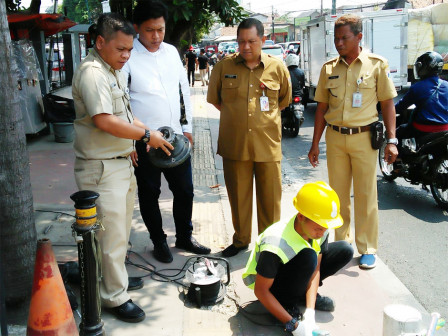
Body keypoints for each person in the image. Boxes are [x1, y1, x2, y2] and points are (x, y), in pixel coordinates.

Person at [72, 13, 173, 323]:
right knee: (110, 237)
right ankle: (114, 296)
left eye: (130, 50)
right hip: (102, 169)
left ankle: (114, 283)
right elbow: (105, 120)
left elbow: (125, 117)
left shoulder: (111, 69)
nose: (127, 56)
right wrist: (145, 136)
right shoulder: (93, 73)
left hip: (119, 164)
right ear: (100, 42)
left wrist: (147, 135)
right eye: (121, 49)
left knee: (117, 233)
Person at [307, 14, 398, 269]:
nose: (339, 43)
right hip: (335, 138)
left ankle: (367, 248)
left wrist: (392, 140)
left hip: (364, 138)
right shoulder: (329, 68)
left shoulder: (377, 65)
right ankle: (341, 244)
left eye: (344, 38)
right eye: (336, 39)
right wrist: (315, 144)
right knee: (337, 197)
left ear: (359, 37)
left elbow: (388, 104)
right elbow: (321, 108)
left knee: (366, 195)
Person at [122, 0, 210, 264]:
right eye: (150, 30)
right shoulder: (128, 56)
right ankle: (158, 241)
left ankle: (184, 236)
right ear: (137, 28)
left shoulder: (171, 52)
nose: (156, 36)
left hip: (175, 138)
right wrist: (130, 141)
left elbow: (184, 89)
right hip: (144, 140)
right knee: (149, 193)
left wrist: (188, 127)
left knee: (185, 190)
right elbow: (123, 102)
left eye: (160, 29)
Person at [207, 18, 291, 258]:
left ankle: (268, 245)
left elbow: (283, 100)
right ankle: (241, 240)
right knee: (238, 198)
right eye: (241, 41)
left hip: (268, 145)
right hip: (235, 145)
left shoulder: (277, 67)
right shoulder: (224, 67)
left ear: (262, 40)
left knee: (270, 201)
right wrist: (238, 116)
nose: (245, 47)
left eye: (251, 41)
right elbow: (215, 99)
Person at [242, 181, 354, 336]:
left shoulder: (320, 227)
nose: (322, 233)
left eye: (326, 228)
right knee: (309, 257)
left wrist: (310, 311)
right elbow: (260, 290)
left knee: (345, 250)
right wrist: (293, 325)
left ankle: (302, 297)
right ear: (301, 217)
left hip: (301, 266)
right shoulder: (275, 243)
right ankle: (285, 305)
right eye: (318, 229)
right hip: (270, 286)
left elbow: (316, 270)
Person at [395, 51, 448, 140]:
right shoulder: (446, 85)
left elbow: (400, 107)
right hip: (444, 130)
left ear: (425, 67)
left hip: (422, 129)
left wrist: (385, 109)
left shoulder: (417, 87)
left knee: (398, 132)